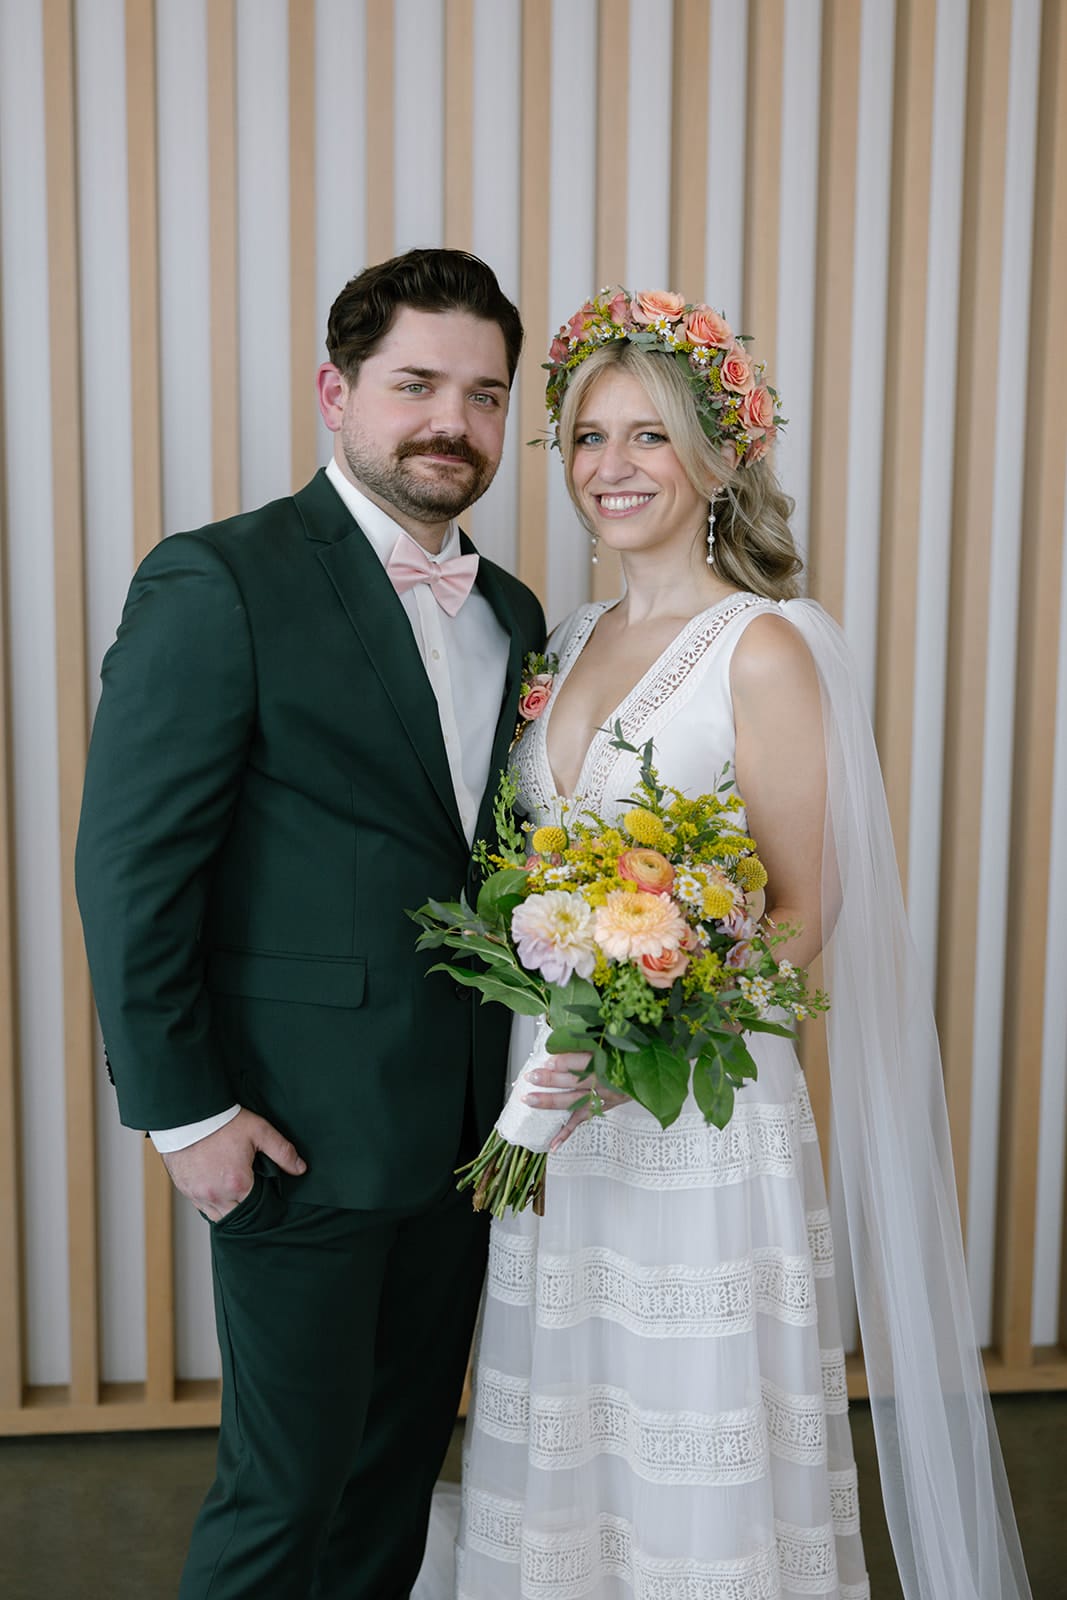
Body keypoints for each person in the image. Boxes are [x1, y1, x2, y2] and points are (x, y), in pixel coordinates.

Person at [444, 289, 1032, 1599]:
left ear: (716, 455)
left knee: (684, 1421)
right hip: (558, 1099)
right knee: (572, 1407)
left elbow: (801, 917)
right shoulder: (566, 638)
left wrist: (634, 1030)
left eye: (647, 436)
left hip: (693, 1108)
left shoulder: (766, 647)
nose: (613, 469)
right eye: (589, 438)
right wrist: (567, 1035)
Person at [74, 247, 545, 1599]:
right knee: (285, 1492)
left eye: (484, 393)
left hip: (469, 1135)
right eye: (416, 384)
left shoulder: (512, 613)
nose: (451, 421)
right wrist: (186, 1114)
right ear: (336, 393)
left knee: (394, 1478)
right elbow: (130, 868)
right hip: (293, 1132)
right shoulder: (218, 580)